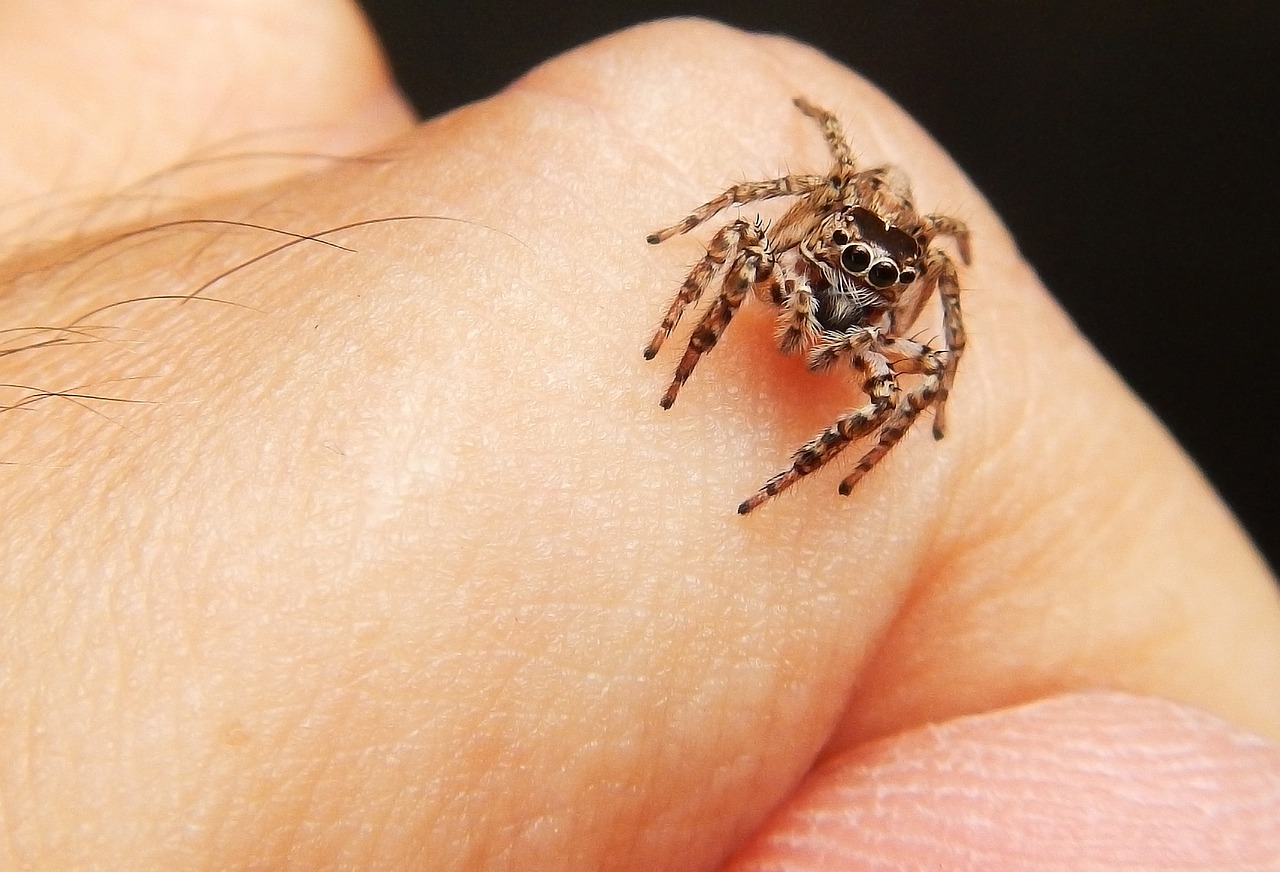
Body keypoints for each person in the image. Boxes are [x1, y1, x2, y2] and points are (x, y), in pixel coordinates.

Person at [1, 5, 1276, 869]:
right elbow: (747, 208)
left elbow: (934, 344)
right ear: (825, 233)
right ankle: (707, 371)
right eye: (841, 267)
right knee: (745, 248)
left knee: (896, 394)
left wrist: (865, 423)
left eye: (866, 294)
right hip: (811, 240)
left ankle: (790, 465)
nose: (837, 311)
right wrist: (688, 318)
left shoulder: (903, 309)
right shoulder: (806, 222)